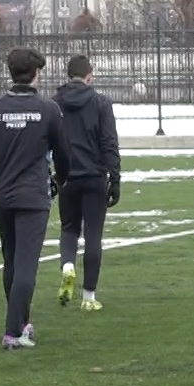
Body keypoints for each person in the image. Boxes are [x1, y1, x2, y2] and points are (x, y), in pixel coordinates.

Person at [0, 47, 70, 350]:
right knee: (26, 265)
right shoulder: (48, 109)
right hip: (34, 195)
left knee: (11, 262)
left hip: (4, 195)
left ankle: (22, 322)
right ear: (36, 73)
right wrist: (61, 179)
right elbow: (63, 153)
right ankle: (13, 331)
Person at [53, 55, 122, 312]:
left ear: (68, 76)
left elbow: (47, 142)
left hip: (66, 176)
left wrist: (50, 174)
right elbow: (109, 142)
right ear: (89, 77)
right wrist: (115, 177)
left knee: (69, 228)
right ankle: (89, 296)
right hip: (94, 176)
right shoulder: (101, 103)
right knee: (93, 235)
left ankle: (68, 265)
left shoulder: (54, 104)